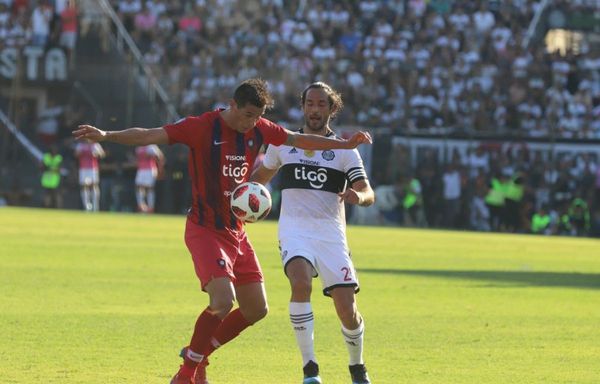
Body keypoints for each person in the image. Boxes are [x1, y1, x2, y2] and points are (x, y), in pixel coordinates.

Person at [72, 78, 372, 384]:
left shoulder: (259, 127)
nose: (252, 123)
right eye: (247, 116)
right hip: (205, 228)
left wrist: (344, 144)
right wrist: (107, 135)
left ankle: (197, 354)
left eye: (257, 117)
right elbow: (150, 134)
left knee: (256, 309)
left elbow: (301, 140)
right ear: (233, 105)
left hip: (236, 231)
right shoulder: (202, 126)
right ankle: (187, 373)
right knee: (222, 301)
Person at [251, 82, 375, 384]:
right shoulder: (283, 144)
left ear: (332, 108)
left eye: (321, 104)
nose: (315, 110)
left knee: (347, 310)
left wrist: (358, 197)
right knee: (300, 282)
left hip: (331, 235)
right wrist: (245, 197)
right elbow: (259, 179)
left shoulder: (345, 151)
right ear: (303, 106)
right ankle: (310, 369)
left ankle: (357, 367)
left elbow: (368, 191)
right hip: (294, 231)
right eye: (310, 103)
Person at [74, 140, 105, 211]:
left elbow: (102, 154)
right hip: (83, 168)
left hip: (93, 168)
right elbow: (76, 155)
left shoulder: (95, 145)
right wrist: (79, 153)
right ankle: (86, 206)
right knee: (84, 186)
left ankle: (95, 206)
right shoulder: (80, 145)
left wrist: (97, 154)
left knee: (94, 185)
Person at [134, 144, 165, 213]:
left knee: (149, 188)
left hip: (150, 169)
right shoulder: (139, 146)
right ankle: (141, 206)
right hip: (140, 170)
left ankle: (151, 207)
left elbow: (160, 156)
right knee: (138, 187)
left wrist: (160, 168)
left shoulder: (151, 147)